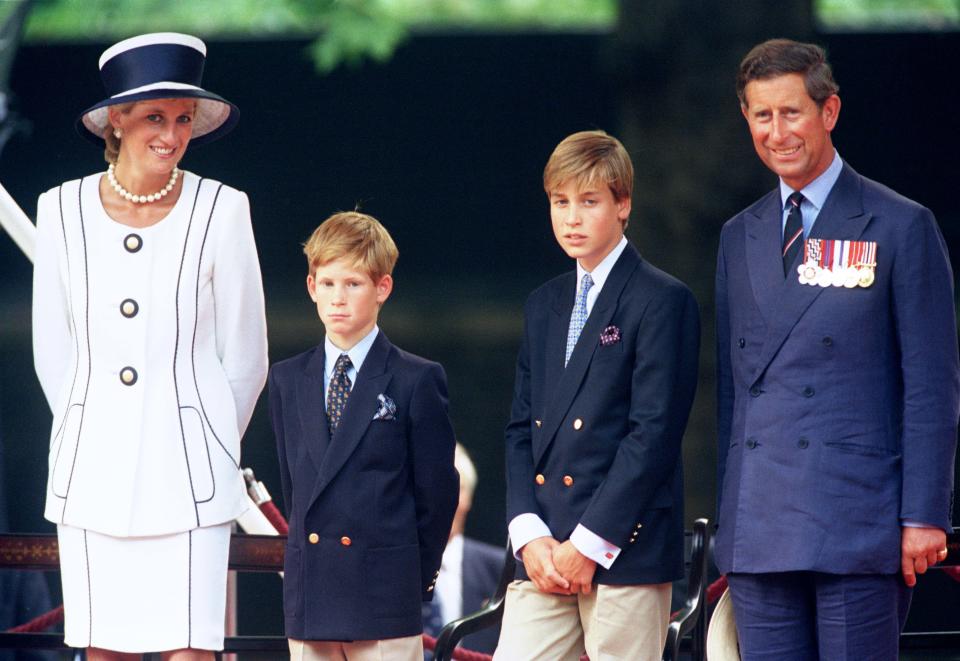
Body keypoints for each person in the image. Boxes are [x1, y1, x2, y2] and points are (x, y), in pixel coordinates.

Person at [715, 38, 959, 660]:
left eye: (791, 112)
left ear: (829, 112)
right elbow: (734, 392)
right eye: (761, 116)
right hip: (761, 525)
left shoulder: (900, 225)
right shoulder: (738, 235)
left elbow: (932, 385)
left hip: (858, 520)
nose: (777, 132)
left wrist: (924, 515)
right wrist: (732, 519)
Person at [31, 33, 268, 660]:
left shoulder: (223, 209)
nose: (171, 134)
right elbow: (54, 353)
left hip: (191, 481)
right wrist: (93, 426)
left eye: (184, 118)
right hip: (91, 478)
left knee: (189, 652)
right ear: (117, 118)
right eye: (154, 117)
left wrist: (205, 436)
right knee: (103, 651)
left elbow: (246, 357)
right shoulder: (60, 210)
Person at [496, 130, 700, 661]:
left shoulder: (663, 300)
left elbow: (652, 435)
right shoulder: (544, 303)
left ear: (623, 203)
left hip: (623, 547)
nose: (571, 218)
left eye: (588, 202)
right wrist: (527, 532)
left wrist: (589, 544)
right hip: (544, 549)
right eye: (560, 203)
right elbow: (521, 428)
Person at [269, 211, 459, 661]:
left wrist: (409, 578)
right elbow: (295, 488)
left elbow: (437, 494)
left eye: (353, 284)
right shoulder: (286, 378)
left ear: (382, 288)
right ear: (312, 287)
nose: (339, 298)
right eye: (328, 283)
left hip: (384, 594)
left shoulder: (417, 379)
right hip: (312, 596)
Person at [422, 443, 503, 655]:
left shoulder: (502, 571)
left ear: (468, 498)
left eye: (453, 489)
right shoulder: (385, 571)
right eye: (429, 490)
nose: (441, 501)